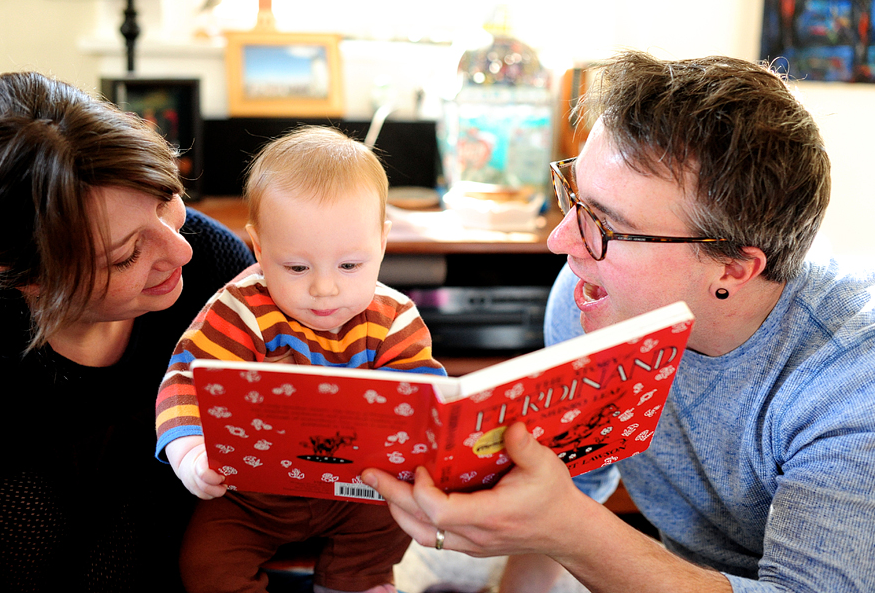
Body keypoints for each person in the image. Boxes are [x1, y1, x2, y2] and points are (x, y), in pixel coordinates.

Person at [361, 50, 875, 593]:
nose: (563, 242)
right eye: (574, 197)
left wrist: (566, 528)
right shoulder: (590, 300)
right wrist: (553, 525)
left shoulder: (849, 382)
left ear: (734, 266)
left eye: (606, 225)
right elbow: (569, 491)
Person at [0, 71, 256, 592]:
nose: (181, 250)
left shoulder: (215, 268)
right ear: (27, 279)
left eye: (166, 198)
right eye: (126, 255)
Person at [155, 125, 447, 593]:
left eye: (350, 265)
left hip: (357, 486)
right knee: (205, 563)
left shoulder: (394, 318)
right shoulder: (240, 309)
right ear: (260, 247)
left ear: (383, 244)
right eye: (297, 267)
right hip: (253, 494)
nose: (325, 288)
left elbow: (420, 399)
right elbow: (185, 380)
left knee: (398, 514)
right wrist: (191, 453)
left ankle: (356, 580)